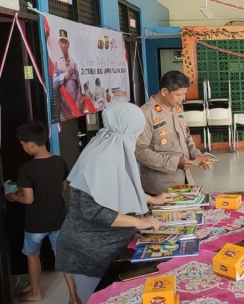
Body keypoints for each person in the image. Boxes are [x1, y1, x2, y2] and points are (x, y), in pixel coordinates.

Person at [55, 102, 171, 302]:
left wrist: (152, 199)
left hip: (105, 247)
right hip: (89, 251)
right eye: (137, 132)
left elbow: (119, 189)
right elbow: (94, 211)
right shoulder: (103, 159)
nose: (138, 136)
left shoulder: (110, 145)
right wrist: (139, 222)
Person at [4, 122, 79, 303]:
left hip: (36, 222)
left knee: (32, 255)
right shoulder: (59, 161)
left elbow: (28, 199)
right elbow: (62, 187)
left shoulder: (26, 169)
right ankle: (74, 297)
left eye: (22, 144)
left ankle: (35, 292)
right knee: (63, 258)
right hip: (59, 218)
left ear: (30, 144)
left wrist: (13, 197)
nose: (23, 148)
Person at [136, 71, 210, 194]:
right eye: (178, 95)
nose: (182, 99)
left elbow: (187, 138)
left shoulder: (177, 109)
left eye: (183, 94)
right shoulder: (146, 114)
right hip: (160, 188)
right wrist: (174, 163)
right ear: (164, 91)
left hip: (185, 182)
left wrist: (196, 154)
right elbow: (140, 152)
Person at [52, 29, 84, 120]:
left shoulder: (73, 64)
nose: (63, 45)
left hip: (75, 107)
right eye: (61, 42)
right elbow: (53, 83)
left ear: (68, 44)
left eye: (65, 42)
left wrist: (77, 106)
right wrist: (64, 77)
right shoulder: (57, 63)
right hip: (63, 110)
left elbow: (79, 87)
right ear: (59, 43)